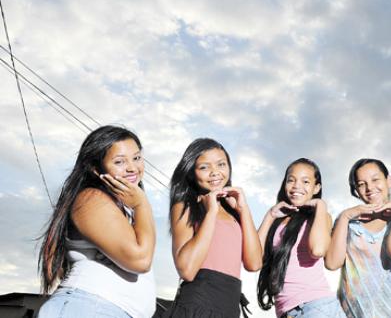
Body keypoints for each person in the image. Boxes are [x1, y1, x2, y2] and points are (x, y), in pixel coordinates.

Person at [38, 125, 156, 318]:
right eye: (119, 161)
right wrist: (142, 204)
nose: (132, 168)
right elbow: (140, 260)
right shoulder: (91, 198)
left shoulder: (123, 206)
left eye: (136, 158)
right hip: (90, 307)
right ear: (95, 168)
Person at [168, 138, 262, 318]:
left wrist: (243, 209)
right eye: (204, 167)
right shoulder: (185, 206)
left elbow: (255, 263)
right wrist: (210, 212)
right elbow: (187, 270)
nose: (215, 172)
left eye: (221, 164)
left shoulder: (233, 211)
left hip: (229, 306)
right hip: (198, 305)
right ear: (191, 173)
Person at [326, 158, 391, 318]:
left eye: (375, 179)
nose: (369, 188)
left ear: (388, 180)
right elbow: (332, 263)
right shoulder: (348, 223)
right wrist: (344, 216)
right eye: (361, 184)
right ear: (356, 189)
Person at [257, 158, 345, 318]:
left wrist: (321, 205)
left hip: (316, 307)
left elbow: (318, 250)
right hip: (287, 311)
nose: (297, 186)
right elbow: (254, 258)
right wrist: (270, 216)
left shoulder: (320, 217)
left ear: (316, 187)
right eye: (291, 180)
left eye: (305, 181)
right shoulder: (277, 220)